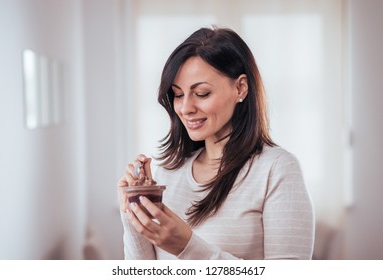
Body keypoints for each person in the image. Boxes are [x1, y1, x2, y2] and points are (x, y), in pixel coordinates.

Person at [117, 26, 315, 260]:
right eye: (178, 94)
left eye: (201, 93)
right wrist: (133, 213)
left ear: (240, 88)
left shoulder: (277, 169)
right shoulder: (168, 174)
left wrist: (187, 247)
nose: (185, 108)